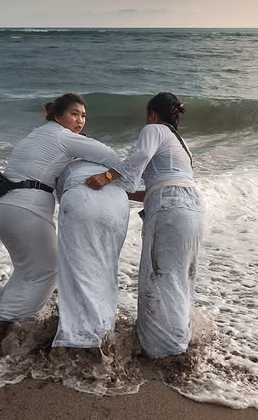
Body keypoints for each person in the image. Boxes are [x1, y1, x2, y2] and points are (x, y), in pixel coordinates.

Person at [0, 93, 123, 322]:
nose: (80, 120)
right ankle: (9, 323)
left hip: (1, 204)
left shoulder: (40, 133)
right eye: (74, 114)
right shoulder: (63, 137)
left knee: (27, 270)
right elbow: (112, 156)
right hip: (23, 209)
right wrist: (107, 176)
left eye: (84, 116)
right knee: (47, 271)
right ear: (57, 115)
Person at [86, 92, 206, 358]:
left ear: (152, 113)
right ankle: (178, 340)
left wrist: (106, 177)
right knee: (181, 277)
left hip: (171, 208)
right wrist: (126, 194)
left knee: (161, 275)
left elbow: (139, 157)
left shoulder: (154, 129)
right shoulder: (180, 141)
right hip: (193, 206)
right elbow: (164, 181)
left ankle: (165, 349)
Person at [51, 159, 129, 349]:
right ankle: (104, 330)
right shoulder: (103, 162)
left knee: (77, 269)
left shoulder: (65, 163)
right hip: (119, 200)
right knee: (105, 267)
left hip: (83, 197)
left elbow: (60, 196)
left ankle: (78, 338)